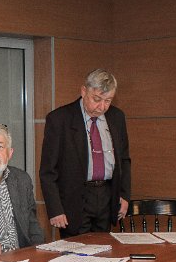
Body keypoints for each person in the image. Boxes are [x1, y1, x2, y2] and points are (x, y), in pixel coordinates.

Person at [40, 69, 131, 237]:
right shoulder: (60, 119)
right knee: (76, 250)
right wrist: (55, 209)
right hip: (73, 201)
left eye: (108, 100)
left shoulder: (117, 117)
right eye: (96, 99)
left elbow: (124, 159)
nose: (102, 107)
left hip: (106, 196)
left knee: (105, 248)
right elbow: (48, 171)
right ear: (83, 91)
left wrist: (124, 195)